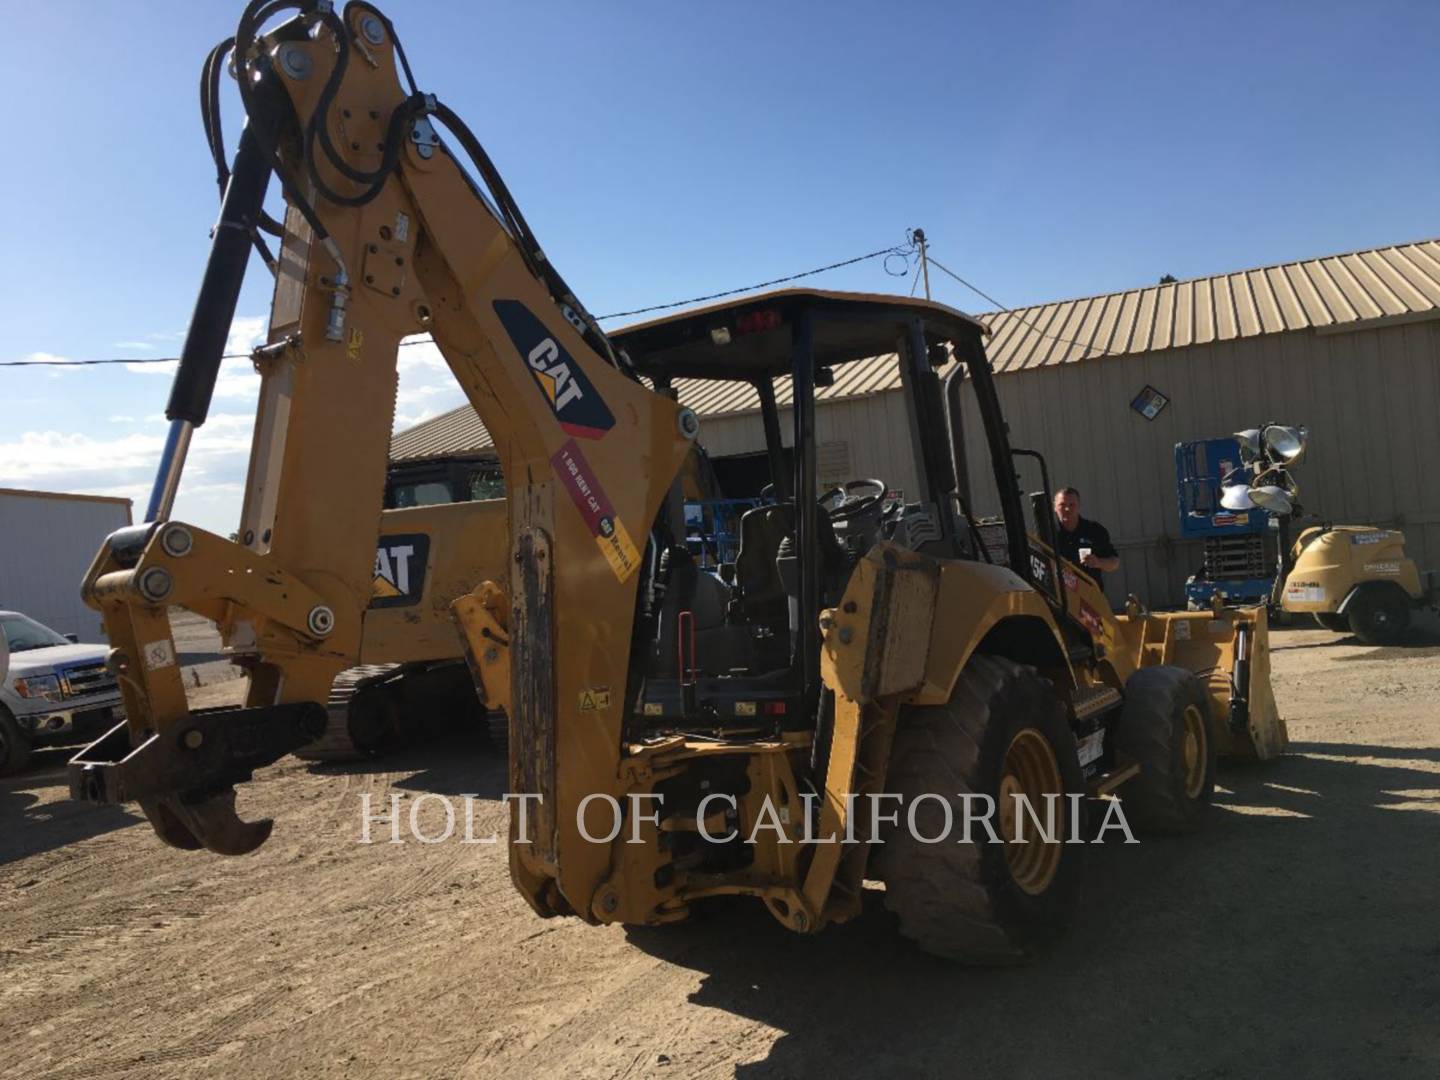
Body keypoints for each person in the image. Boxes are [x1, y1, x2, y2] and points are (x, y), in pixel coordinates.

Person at [1052, 487, 1119, 590]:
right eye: (1062, 505)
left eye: (1072, 505)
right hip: (1060, 597)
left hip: (1090, 596)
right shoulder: (1047, 533)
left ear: (1079, 506)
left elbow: (1114, 562)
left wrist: (1098, 562)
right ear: (1055, 507)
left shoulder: (1094, 530)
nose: (1067, 509)